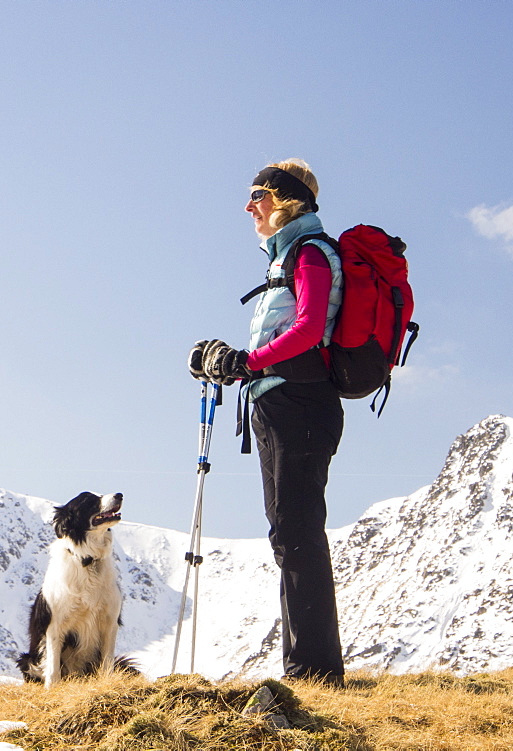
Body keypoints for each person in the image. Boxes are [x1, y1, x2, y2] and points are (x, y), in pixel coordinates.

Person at [189, 158, 346, 687]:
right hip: (278, 406)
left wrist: (247, 362)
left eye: (257, 195)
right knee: (289, 533)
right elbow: (283, 341)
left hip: (301, 406)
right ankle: (309, 671)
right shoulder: (285, 258)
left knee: (298, 532)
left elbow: (305, 330)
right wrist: (233, 364)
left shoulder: (311, 253)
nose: (248, 206)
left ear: (285, 199)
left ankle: (315, 675)